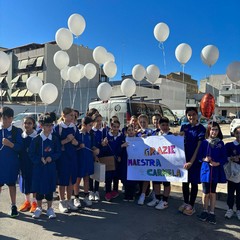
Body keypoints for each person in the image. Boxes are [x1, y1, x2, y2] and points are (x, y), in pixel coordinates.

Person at [29, 113, 61, 219]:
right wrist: (39, 159)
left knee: (49, 187)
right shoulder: (36, 139)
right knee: (38, 188)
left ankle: (50, 208)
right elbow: (31, 154)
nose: (50, 127)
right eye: (47, 125)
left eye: (51, 125)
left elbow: (58, 152)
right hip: (39, 168)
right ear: (41, 126)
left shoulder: (55, 139)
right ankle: (38, 208)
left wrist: (51, 157)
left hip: (50, 168)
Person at [197, 121, 227, 224]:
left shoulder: (221, 143)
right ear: (208, 130)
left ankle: (212, 212)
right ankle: (204, 210)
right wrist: (204, 159)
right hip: (205, 171)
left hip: (215, 171)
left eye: (216, 129)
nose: (214, 131)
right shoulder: (204, 142)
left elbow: (224, 158)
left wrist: (217, 163)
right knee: (205, 191)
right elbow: (199, 156)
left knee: (213, 192)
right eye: (212, 129)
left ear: (219, 131)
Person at [178, 107, 206, 216]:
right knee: (185, 182)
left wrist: (191, 161)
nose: (191, 117)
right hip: (184, 160)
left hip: (194, 161)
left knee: (194, 183)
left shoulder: (201, 129)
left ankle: (192, 205)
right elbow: (179, 141)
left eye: (193, 114)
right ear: (186, 116)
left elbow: (198, 147)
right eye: (189, 115)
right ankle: (185, 202)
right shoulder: (184, 127)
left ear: (197, 115)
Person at [53, 107, 81, 213]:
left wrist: (75, 142)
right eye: (70, 115)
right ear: (64, 115)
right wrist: (65, 141)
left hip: (72, 157)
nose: (73, 117)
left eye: (73, 115)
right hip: (62, 158)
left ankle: (69, 201)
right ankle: (62, 201)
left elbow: (78, 141)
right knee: (62, 180)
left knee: (70, 179)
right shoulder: (58, 128)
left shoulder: (74, 127)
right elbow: (54, 144)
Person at [0, 107, 23, 217]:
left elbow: (20, 147)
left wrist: (10, 144)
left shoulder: (16, 131)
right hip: (0, 164)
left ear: (11, 118)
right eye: (1, 118)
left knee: (11, 185)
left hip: (11, 164)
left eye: (5, 118)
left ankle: (13, 206)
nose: (3, 121)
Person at [73, 117, 99, 207]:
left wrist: (96, 150)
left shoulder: (90, 135)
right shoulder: (77, 134)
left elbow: (92, 146)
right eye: (90, 125)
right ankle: (76, 197)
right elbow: (73, 147)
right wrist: (79, 146)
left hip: (88, 159)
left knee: (87, 179)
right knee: (78, 179)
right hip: (79, 160)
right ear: (84, 125)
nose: (91, 127)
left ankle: (86, 196)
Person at [147, 117, 172, 210]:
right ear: (159, 125)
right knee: (156, 181)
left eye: (166, 125)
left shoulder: (172, 136)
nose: (165, 127)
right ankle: (157, 198)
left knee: (166, 182)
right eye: (163, 125)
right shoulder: (155, 135)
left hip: (167, 164)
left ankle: (165, 201)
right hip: (156, 163)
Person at [18, 116, 38, 213]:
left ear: (33, 124)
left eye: (29, 123)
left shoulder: (37, 136)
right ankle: (27, 201)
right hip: (24, 162)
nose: (27, 125)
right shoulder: (21, 136)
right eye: (25, 123)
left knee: (34, 181)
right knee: (25, 182)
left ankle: (34, 202)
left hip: (34, 163)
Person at [100, 120, 123, 201]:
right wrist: (104, 144)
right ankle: (108, 192)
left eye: (117, 127)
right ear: (111, 126)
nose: (116, 129)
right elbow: (104, 149)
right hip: (109, 159)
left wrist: (120, 156)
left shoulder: (121, 136)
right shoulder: (107, 136)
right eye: (114, 127)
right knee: (108, 177)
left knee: (116, 176)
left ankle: (115, 190)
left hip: (117, 159)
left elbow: (122, 148)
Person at [89, 113, 107, 201]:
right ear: (93, 122)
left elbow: (101, 144)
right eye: (97, 121)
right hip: (91, 155)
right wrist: (94, 154)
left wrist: (103, 144)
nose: (99, 123)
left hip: (99, 155)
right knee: (90, 173)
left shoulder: (102, 132)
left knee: (97, 173)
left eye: (100, 121)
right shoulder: (90, 132)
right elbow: (91, 144)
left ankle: (96, 190)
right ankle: (90, 191)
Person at [224, 126, 240, 220]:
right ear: (234, 134)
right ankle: (230, 209)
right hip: (232, 172)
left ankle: (239, 210)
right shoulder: (229, 145)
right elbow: (224, 156)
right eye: (237, 133)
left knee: (239, 193)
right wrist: (231, 158)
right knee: (230, 191)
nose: (239, 135)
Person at [136, 114, 153, 205]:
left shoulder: (151, 132)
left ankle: (143, 194)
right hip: (139, 158)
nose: (142, 123)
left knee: (147, 176)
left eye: (144, 122)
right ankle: (141, 192)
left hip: (148, 157)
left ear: (147, 122)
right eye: (141, 122)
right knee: (140, 176)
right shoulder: (137, 132)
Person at [120, 124, 137, 201]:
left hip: (134, 163)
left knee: (133, 178)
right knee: (126, 178)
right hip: (125, 162)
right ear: (126, 132)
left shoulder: (138, 140)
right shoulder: (124, 139)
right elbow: (118, 150)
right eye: (129, 130)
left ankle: (132, 194)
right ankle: (126, 194)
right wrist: (122, 146)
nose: (131, 132)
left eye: (132, 130)